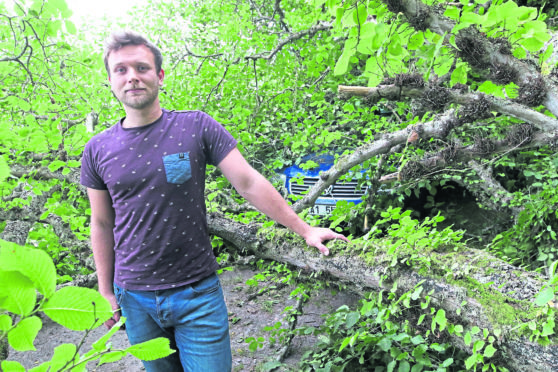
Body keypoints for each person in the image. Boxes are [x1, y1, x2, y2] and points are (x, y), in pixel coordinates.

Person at [80, 30, 347, 372]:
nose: (132, 76)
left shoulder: (195, 127)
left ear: (159, 75)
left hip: (197, 295)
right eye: (121, 70)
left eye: (142, 67)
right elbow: (101, 222)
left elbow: (248, 181)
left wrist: (304, 228)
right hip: (135, 299)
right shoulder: (97, 150)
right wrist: (105, 291)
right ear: (110, 80)